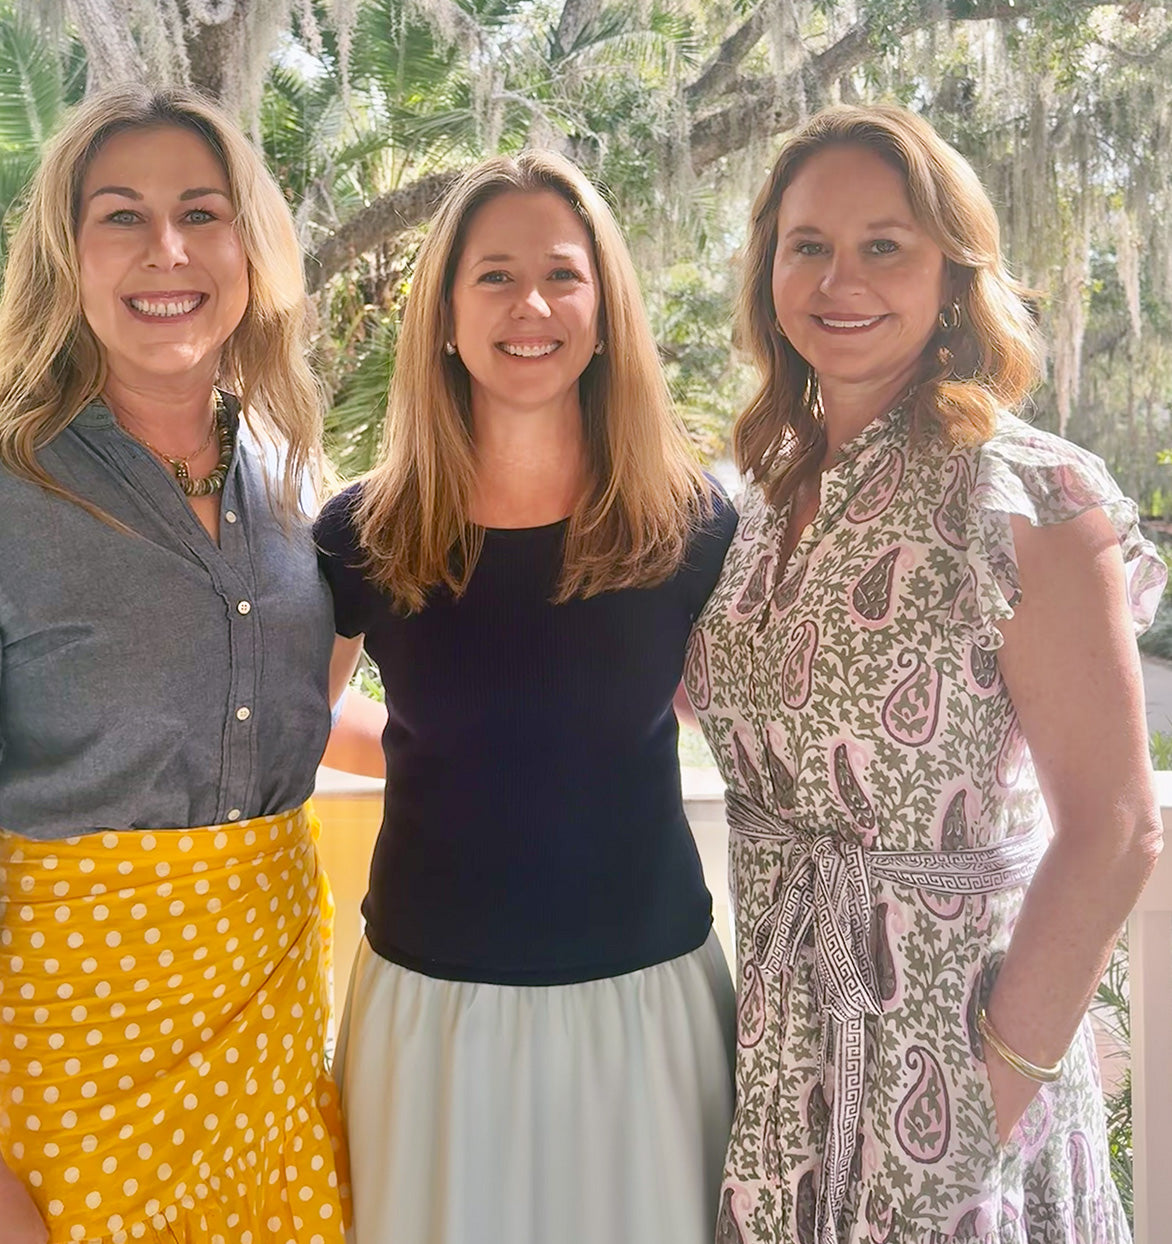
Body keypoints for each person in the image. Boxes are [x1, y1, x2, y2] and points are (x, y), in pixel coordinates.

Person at [0, 85, 355, 1244]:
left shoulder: (294, 489)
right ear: (63, 256)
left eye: (201, 211)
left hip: (272, 1072)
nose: (166, 250)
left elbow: (295, 717)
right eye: (119, 215)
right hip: (70, 1077)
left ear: (247, 246)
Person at [686, 103, 1164, 1244]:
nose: (839, 279)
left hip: (947, 1056)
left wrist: (990, 1085)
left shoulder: (1023, 495)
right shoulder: (751, 503)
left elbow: (1113, 826)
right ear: (767, 274)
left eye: (883, 244)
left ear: (951, 269)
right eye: (807, 245)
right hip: (781, 1054)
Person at [314, 150, 737, 1244]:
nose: (531, 305)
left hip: (644, 1001)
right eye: (493, 276)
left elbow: (717, 713)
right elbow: (304, 717)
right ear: (444, 313)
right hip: (429, 1008)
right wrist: (429, 751)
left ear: (604, 308)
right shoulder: (367, 529)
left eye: (562, 273)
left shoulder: (689, 524)